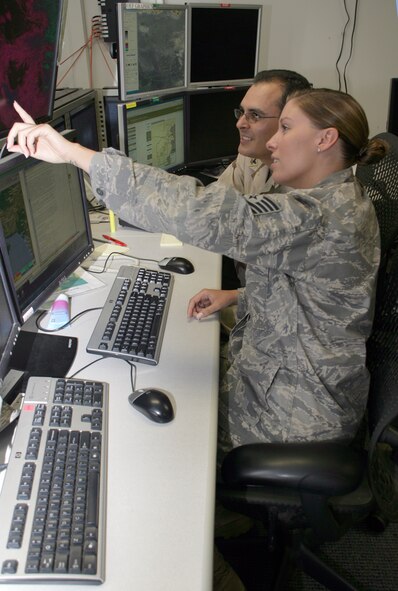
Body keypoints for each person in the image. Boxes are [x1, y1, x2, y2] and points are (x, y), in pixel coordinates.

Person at [7, 90, 387, 590]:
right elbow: (317, 294)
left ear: (325, 139)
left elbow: (203, 212)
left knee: (133, 460)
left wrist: (75, 155)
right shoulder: (339, 200)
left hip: (295, 418)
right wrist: (237, 293)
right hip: (303, 382)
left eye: (286, 128)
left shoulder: (316, 216)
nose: (272, 140)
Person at [217, 69, 312, 289]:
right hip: (248, 292)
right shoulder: (250, 157)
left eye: (255, 115)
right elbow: (217, 206)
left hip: (270, 306)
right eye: (241, 112)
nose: (240, 123)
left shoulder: (305, 193)